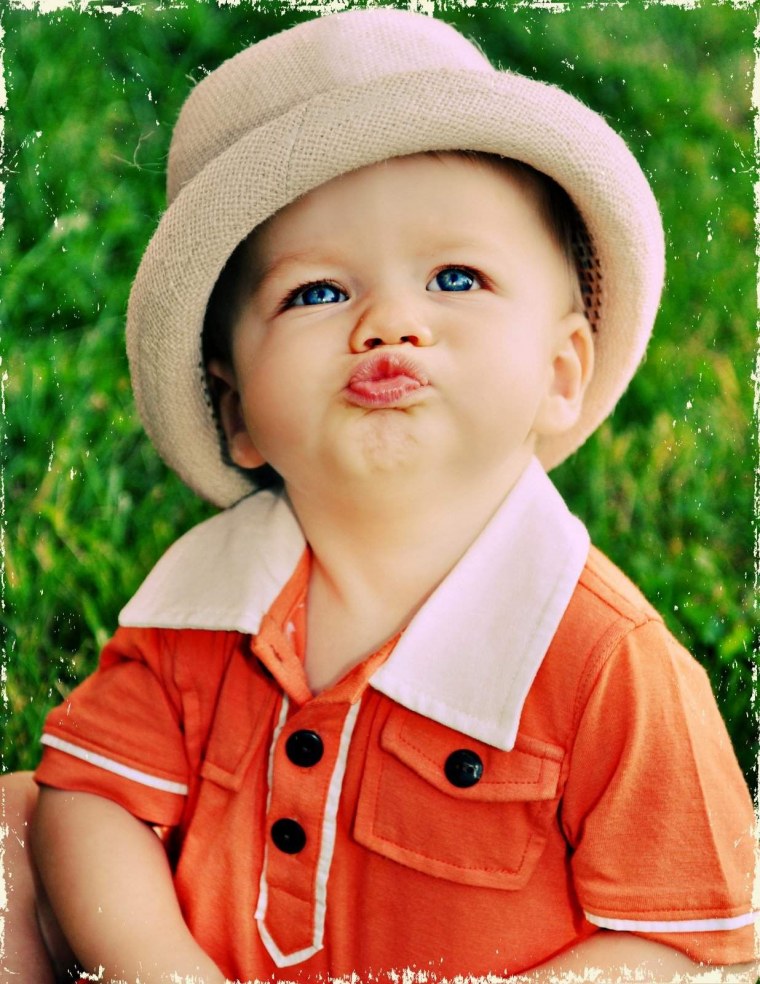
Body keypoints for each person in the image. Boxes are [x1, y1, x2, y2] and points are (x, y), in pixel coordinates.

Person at [4, 8, 756, 983]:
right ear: (236, 413)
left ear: (561, 370)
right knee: (20, 820)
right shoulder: (201, 608)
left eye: (456, 277)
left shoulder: (605, 661)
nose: (390, 322)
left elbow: (691, 939)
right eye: (316, 292)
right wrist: (162, 967)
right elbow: (93, 794)